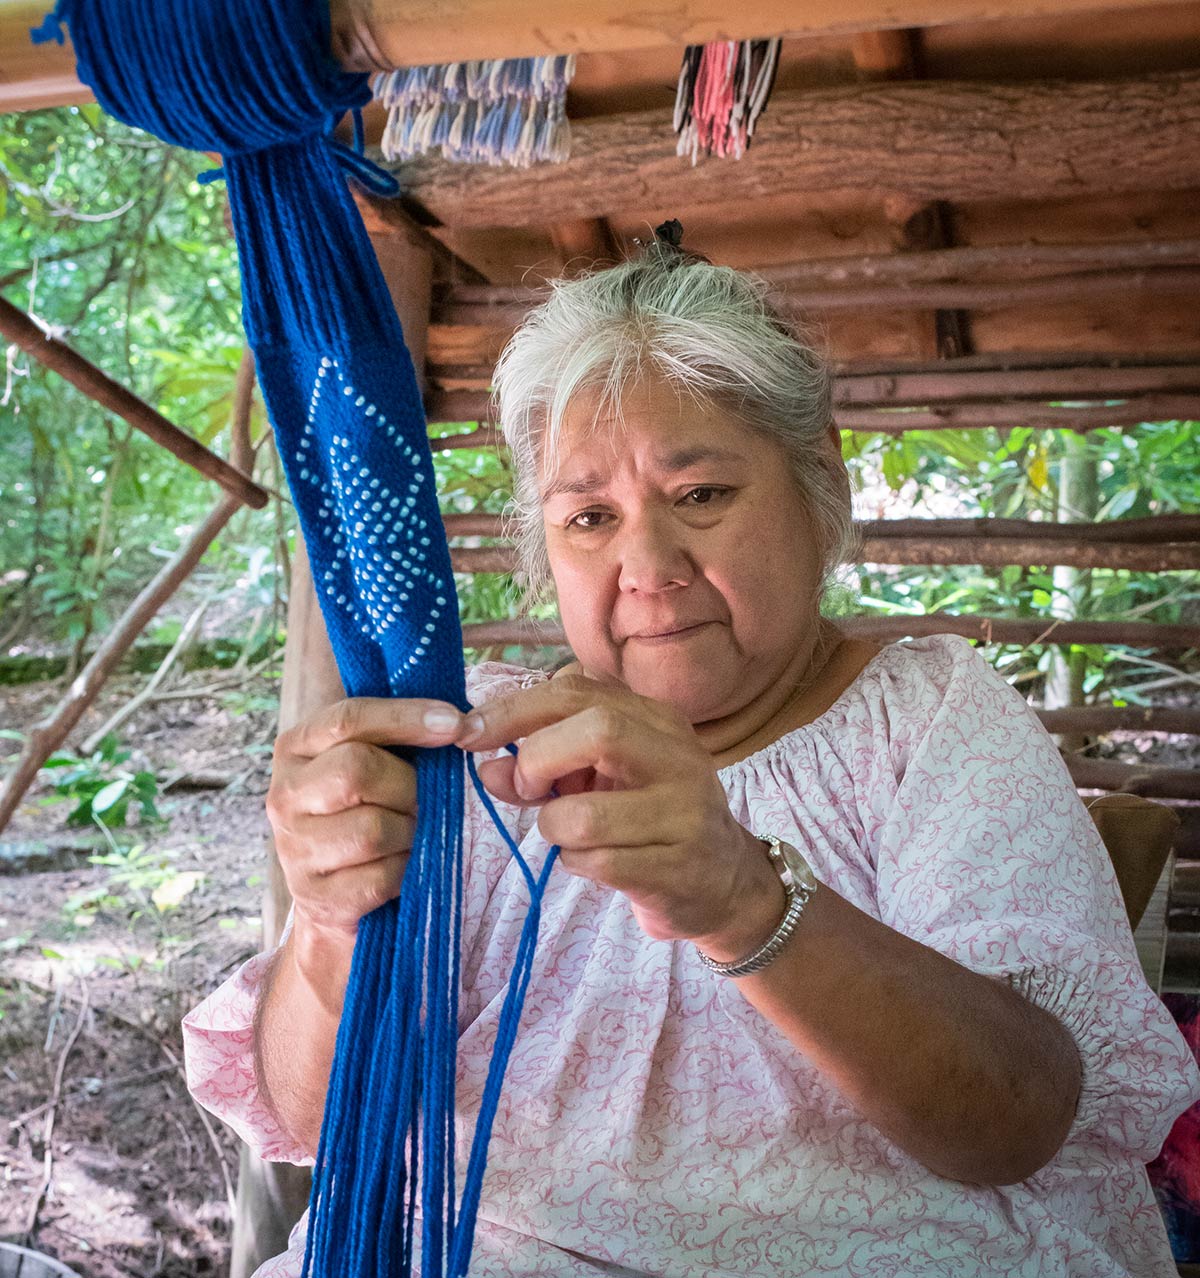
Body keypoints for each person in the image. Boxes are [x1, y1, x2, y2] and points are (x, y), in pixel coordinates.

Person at [183, 231, 1200, 1277]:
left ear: (820, 482)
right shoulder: (470, 750)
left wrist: (744, 901)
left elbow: (1016, 1120)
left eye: (701, 494)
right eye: (589, 516)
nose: (648, 566)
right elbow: (317, 1121)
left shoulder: (924, 717)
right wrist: (330, 925)